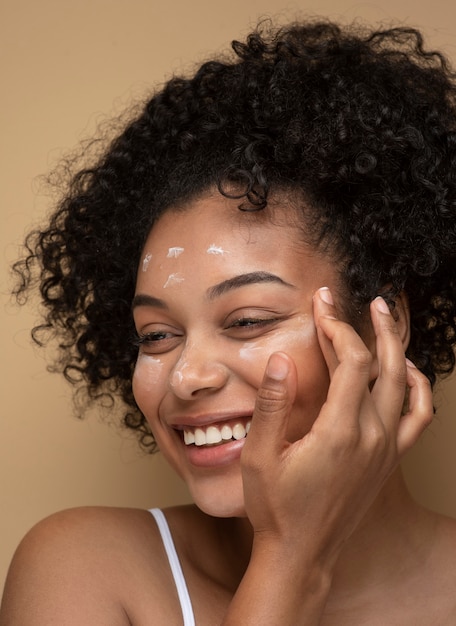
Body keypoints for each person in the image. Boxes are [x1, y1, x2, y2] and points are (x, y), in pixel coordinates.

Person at [1, 18, 456, 625]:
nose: (187, 377)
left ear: (385, 326)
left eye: (247, 320)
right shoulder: (84, 570)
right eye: (157, 336)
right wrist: (292, 558)